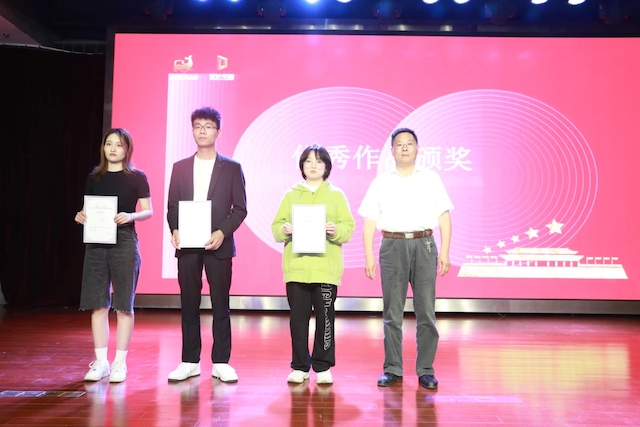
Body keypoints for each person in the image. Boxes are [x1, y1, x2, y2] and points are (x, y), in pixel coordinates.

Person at [358, 128, 453, 389]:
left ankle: (426, 370)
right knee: (392, 312)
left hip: (424, 244)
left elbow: (444, 215)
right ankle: (392, 369)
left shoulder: (431, 178)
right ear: (392, 151)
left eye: (409, 143)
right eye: (399, 144)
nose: (404, 148)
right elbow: (369, 221)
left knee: (426, 312)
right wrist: (368, 256)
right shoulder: (381, 182)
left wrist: (445, 251)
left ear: (417, 148)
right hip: (392, 246)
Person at [166, 107, 247, 383]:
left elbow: (240, 209)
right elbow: (172, 207)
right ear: (192, 130)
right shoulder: (180, 167)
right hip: (187, 245)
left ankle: (221, 362)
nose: (202, 131)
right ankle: (189, 361)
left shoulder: (232, 168)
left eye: (208, 126)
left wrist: (222, 232)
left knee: (220, 303)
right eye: (198, 126)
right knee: (189, 303)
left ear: (218, 132)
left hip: (218, 245)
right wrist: (175, 228)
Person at [271, 145, 355, 385]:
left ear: (327, 166)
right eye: (308, 161)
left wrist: (336, 230)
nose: (313, 165)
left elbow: (348, 228)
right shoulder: (291, 195)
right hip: (297, 269)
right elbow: (276, 227)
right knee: (298, 321)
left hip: (326, 270)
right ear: (302, 166)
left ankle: (322, 365)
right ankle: (300, 366)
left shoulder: (336, 195)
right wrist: (285, 229)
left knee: (326, 319)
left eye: (319, 161)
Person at [75, 128, 153, 383]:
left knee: (123, 305)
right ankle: (101, 363)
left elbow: (148, 211)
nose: (113, 149)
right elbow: (87, 209)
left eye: (118, 145)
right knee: (97, 304)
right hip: (96, 244)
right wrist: (81, 216)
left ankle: (120, 362)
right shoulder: (94, 177)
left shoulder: (137, 177)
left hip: (124, 242)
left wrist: (130, 215)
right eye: (109, 144)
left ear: (127, 149)